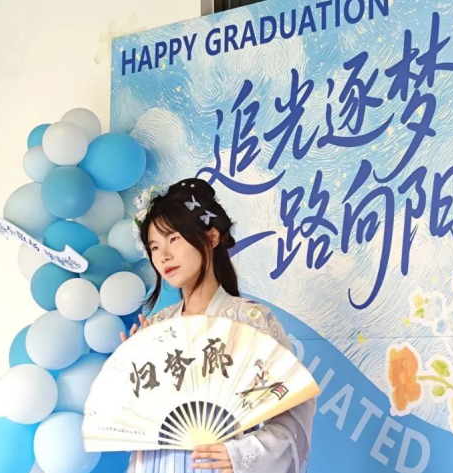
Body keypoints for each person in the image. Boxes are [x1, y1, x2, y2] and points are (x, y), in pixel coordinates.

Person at [120, 178, 315, 473]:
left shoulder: (248, 320)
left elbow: (291, 407)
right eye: (154, 246)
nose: (163, 255)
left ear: (211, 237)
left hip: (218, 463)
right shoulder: (158, 326)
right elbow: (135, 422)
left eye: (174, 239)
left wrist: (242, 453)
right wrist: (132, 370)